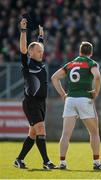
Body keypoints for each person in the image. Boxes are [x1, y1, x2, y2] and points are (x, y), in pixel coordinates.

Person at [51, 41, 101, 170]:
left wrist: (63, 94)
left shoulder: (70, 64)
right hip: (84, 99)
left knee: (65, 134)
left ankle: (62, 163)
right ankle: (97, 163)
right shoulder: (91, 63)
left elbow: (54, 77)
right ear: (91, 53)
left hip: (70, 99)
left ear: (79, 52)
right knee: (94, 132)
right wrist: (96, 92)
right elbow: (97, 76)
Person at [14, 18, 56, 170]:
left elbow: (39, 47)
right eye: (38, 51)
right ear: (31, 53)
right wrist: (23, 31)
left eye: (42, 51)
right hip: (31, 103)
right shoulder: (27, 64)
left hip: (41, 103)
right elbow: (24, 48)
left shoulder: (39, 63)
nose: (41, 53)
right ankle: (46, 162)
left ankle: (19, 160)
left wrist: (40, 38)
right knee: (41, 130)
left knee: (33, 134)